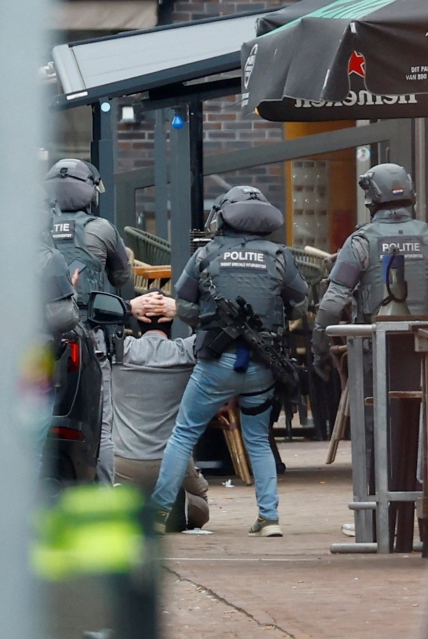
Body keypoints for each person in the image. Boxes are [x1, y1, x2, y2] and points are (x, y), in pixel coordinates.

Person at [311, 163, 428, 551]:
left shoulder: (361, 242)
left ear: (371, 197)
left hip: (378, 358)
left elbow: (333, 302)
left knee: (378, 442)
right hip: (427, 360)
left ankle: (377, 530)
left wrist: (320, 348)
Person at [151, 186, 308, 537]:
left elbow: (185, 302)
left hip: (215, 366)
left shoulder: (205, 255)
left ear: (223, 216)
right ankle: (269, 519)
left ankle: (158, 513)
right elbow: (299, 304)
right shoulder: (280, 256)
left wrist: (207, 321)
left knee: (183, 434)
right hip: (262, 368)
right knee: (257, 439)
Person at [44, 159, 132, 485]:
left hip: (42, 337)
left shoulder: (34, 229)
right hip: (89, 338)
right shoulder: (101, 229)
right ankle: (104, 499)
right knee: (101, 426)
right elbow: (122, 276)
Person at [111, 290, 210, 531]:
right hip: (172, 461)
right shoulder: (187, 351)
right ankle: (182, 504)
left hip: (123, 461)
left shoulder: (119, 350)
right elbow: (217, 331)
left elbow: (89, 328)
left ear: (137, 320)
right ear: (172, 318)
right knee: (202, 501)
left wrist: (126, 307)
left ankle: (122, 504)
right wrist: (183, 309)